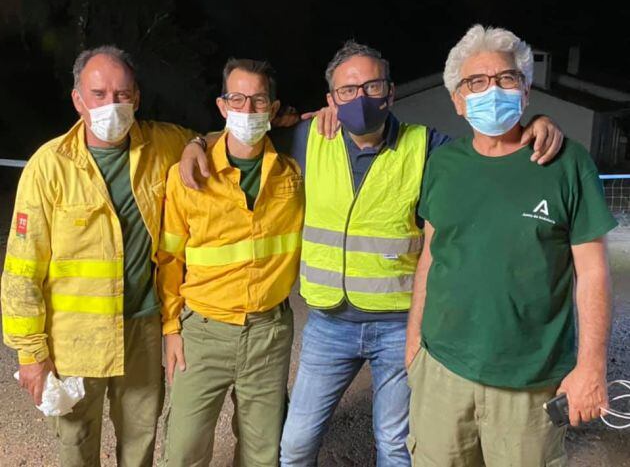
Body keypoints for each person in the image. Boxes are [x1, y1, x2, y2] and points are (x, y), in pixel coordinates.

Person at [179, 40, 564, 467]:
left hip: (397, 324)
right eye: (347, 90)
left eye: (372, 87)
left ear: (391, 92)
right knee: (295, 444)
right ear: (331, 99)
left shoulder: (426, 147)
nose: (360, 99)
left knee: (394, 444)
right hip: (329, 324)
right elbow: (243, 130)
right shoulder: (308, 137)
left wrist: (538, 122)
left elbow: (487, 147)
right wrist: (197, 141)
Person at [405, 25, 617, 466]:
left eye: (505, 79)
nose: (492, 90)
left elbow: (594, 272)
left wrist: (591, 367)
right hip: (441, 373)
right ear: (458, 101)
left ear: (525, 89)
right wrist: (414, 348)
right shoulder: (444, 165)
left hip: (529, 386)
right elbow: (431, 255)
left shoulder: (566, 163)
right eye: (476, 82)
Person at [1, 45, 198, 466]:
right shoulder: (48, 167)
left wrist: (198, 144)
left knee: (140, 442)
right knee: (76, 447)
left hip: (141, 331)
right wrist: (32, 354)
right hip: (75, 340)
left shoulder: (162, 146)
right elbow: (21, 272)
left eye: (122, 94)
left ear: (137, 98)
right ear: (78, 100)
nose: (112, 104)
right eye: (99, 94)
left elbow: (216, 142)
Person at [157, 58, 303, 466]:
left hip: (269, 333)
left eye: (258, 101)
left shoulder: (292, 177)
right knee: (183, 450)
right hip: (202, 333)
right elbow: (169, 258)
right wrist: (171, 328)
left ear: (273, 110)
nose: (248, 110)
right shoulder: (188, 175)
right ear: (222, 107)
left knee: (262, 453)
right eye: (237, 99)